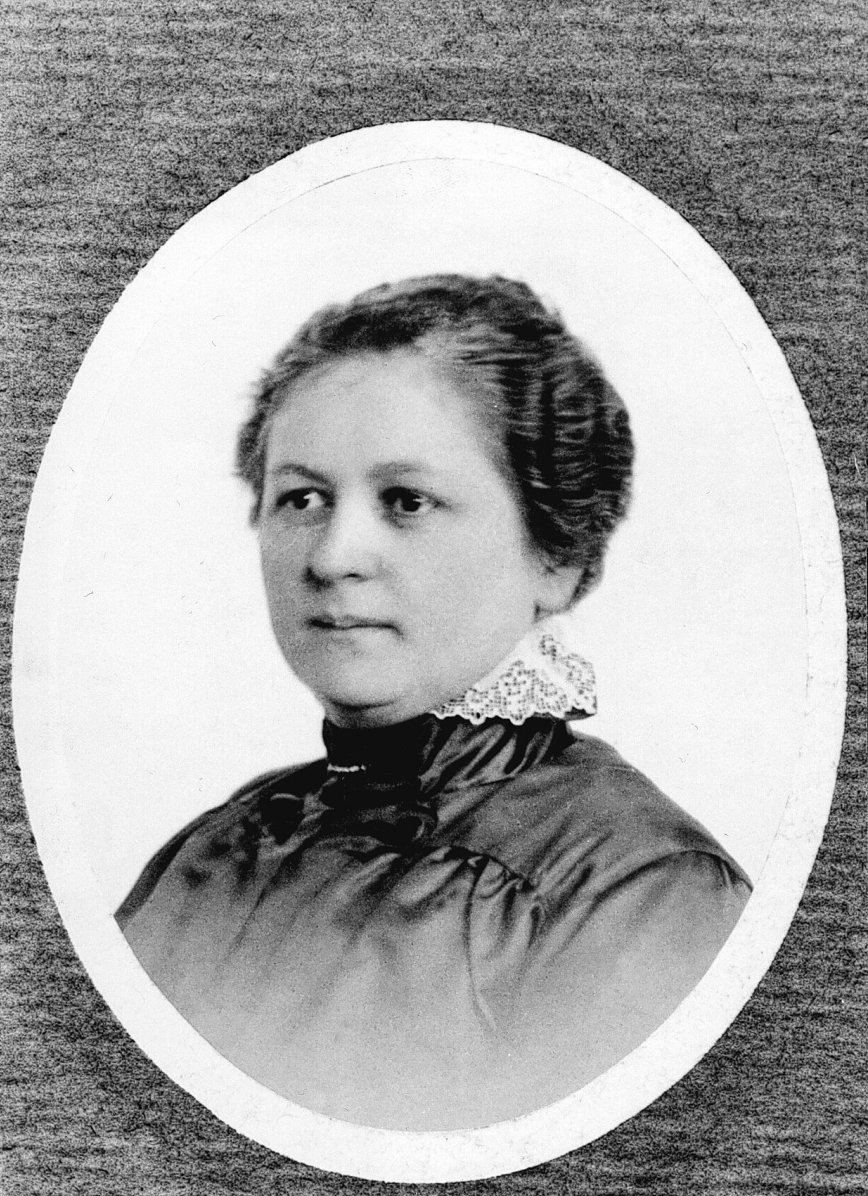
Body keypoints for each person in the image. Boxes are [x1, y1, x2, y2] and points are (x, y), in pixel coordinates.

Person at [117, 274, 750, 1131]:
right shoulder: (220, 846)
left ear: (555, 555)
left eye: (406, 502)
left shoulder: (641, 890)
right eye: (302, 499)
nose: (333, 556)